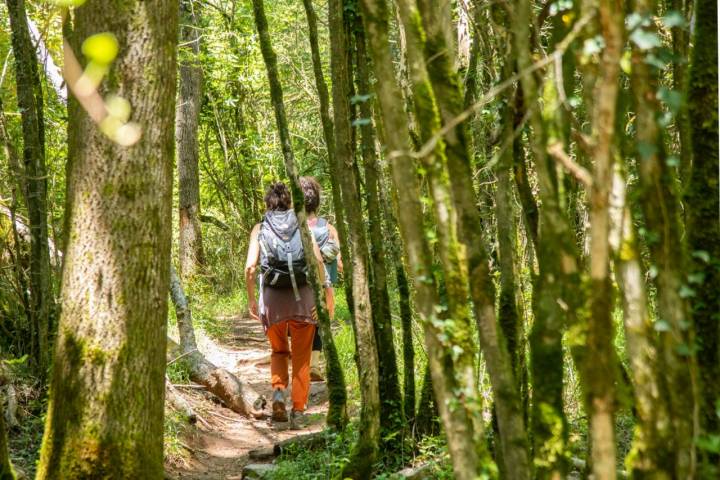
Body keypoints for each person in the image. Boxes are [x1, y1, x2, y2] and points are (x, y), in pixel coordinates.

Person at [244, 182, 334, 425]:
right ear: (290, 202)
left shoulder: (260, 228)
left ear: (267, 203)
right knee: (302, 356)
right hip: (303, 300)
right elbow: (317, 261)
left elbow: (250, 267)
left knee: (279, 351)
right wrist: (324, 295)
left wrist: (253, 299)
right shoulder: (301, 224)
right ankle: (298, 409)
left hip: (272, 302)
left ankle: (277, 395)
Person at [300, 176, 342, 382]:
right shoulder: (329, 228)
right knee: (318, 321)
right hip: (322, 285)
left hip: (297, 286)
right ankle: (314, 364)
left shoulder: (293, 228)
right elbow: (340, 263)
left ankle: (299, 362)